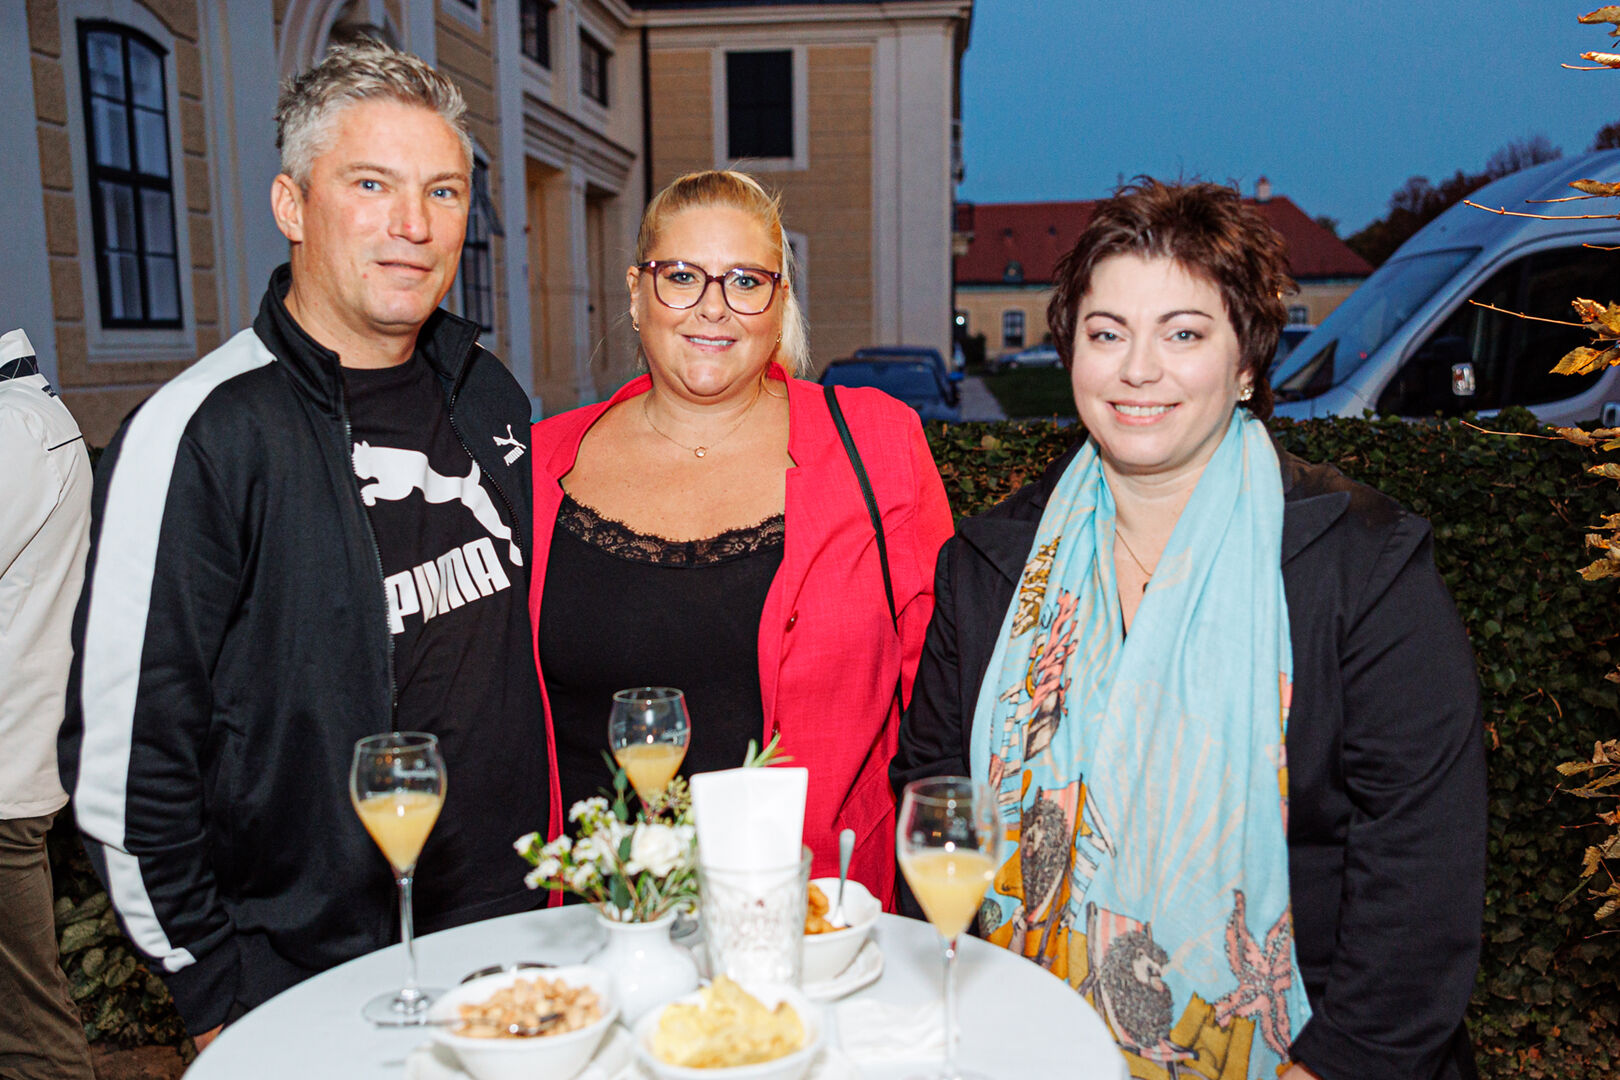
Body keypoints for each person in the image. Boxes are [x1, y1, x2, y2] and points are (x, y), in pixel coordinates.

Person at [893, 180, 1486, 1080]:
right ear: (1071, 352)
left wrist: (1335, 1068)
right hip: (1021, 1041)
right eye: (1107, 333)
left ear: (1246, 362)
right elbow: (935, 791)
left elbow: (1422, 866)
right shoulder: (989, 565)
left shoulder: (1363, 564)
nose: (1138, 370)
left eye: (1183, 333)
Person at [58, 41, 546, 1046]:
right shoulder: (201, 434)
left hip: (512, 940)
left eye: (444, 191)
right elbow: (124, 762)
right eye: (371, 184)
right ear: (291, 204)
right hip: (307, 981)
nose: (414, 225)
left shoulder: (489, 391)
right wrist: (213, 993)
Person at [528, 170, 953, 902]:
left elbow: (942, 701)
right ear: (635, 293)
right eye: (681, 276)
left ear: (780, 302)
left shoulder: (879, 447)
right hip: (594, 923)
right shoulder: (536, 466)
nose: (713, 306)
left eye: (746, 281)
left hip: (815, 916)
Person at [0, 329, 96, 1080]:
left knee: (29, 1036)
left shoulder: (14, 426)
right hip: (17, 759)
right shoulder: (26, 413)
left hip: (4, 777)